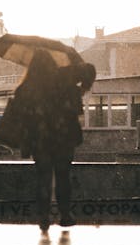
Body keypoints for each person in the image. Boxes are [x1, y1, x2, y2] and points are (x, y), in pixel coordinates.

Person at [13, 49, 96, 233]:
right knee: (63, 176)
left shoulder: (27, 87)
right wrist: (83, 88)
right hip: (63, 136)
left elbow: (19, 114)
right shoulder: (64, 81)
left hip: (40, 138)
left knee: (42, 177)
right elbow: (89, 69)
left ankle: (43, 217)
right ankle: (65, 215)